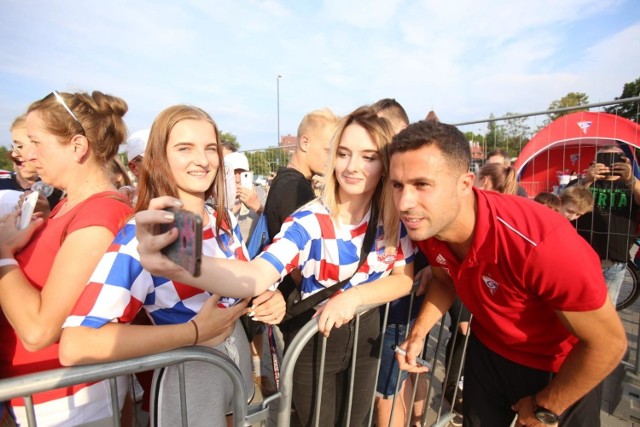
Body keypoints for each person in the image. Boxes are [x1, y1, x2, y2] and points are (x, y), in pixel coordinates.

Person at [134, 106, 415, 427]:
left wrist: (355, 298)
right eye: (343, 153)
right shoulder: (309, 221)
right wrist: (180, 262)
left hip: (367, 333)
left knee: (356, 420)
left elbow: (403, 279)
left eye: (368, 156)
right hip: (316, 336)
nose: (352, 167)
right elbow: (256, 275)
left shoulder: (391, 217)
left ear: (384, 163)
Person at [391, 120, 627, 426]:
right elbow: (445, 279)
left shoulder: (541, 242)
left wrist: (546, 407)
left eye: (422, 184)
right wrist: (419, 333)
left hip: (558, 370)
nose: (405, 203)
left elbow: (609, 343)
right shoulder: (429, 226)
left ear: (465, 184)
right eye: (398, 185)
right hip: (488, 353)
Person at [59, 105, 253, 427]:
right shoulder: (144, 233)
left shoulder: (224, 219)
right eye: (184, 148)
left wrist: (264, 297)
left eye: (209, 148)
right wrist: (191, 332)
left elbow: (239, 287)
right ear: (159, 157)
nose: (202, 160)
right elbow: (76, 344)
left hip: (235, 374)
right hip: (187, 387)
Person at [0, 90, 133, 426]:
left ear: (77, 147)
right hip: (43, 397)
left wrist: (2, 253)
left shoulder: (100, 213)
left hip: (69, 405)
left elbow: (38, 330)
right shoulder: (69, 204)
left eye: (36, 142)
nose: (26, 155)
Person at [371, 97, 427, 427]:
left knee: (387, 392)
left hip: (400, 301)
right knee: (396, 383)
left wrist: (435, 266)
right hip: (393, 296)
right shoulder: (387, 177)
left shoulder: (412, 177)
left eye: (381, 132)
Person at [572, 144, 640, 305]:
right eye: (603, 159)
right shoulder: (585, 183)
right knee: (577, 304)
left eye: (614, 159)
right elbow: (564, 201)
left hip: (615, 260)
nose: (609, 164)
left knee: (606, 307)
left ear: (625, 161)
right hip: (581, 256)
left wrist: (631, 179)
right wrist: (587, 180)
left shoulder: (630, 185)